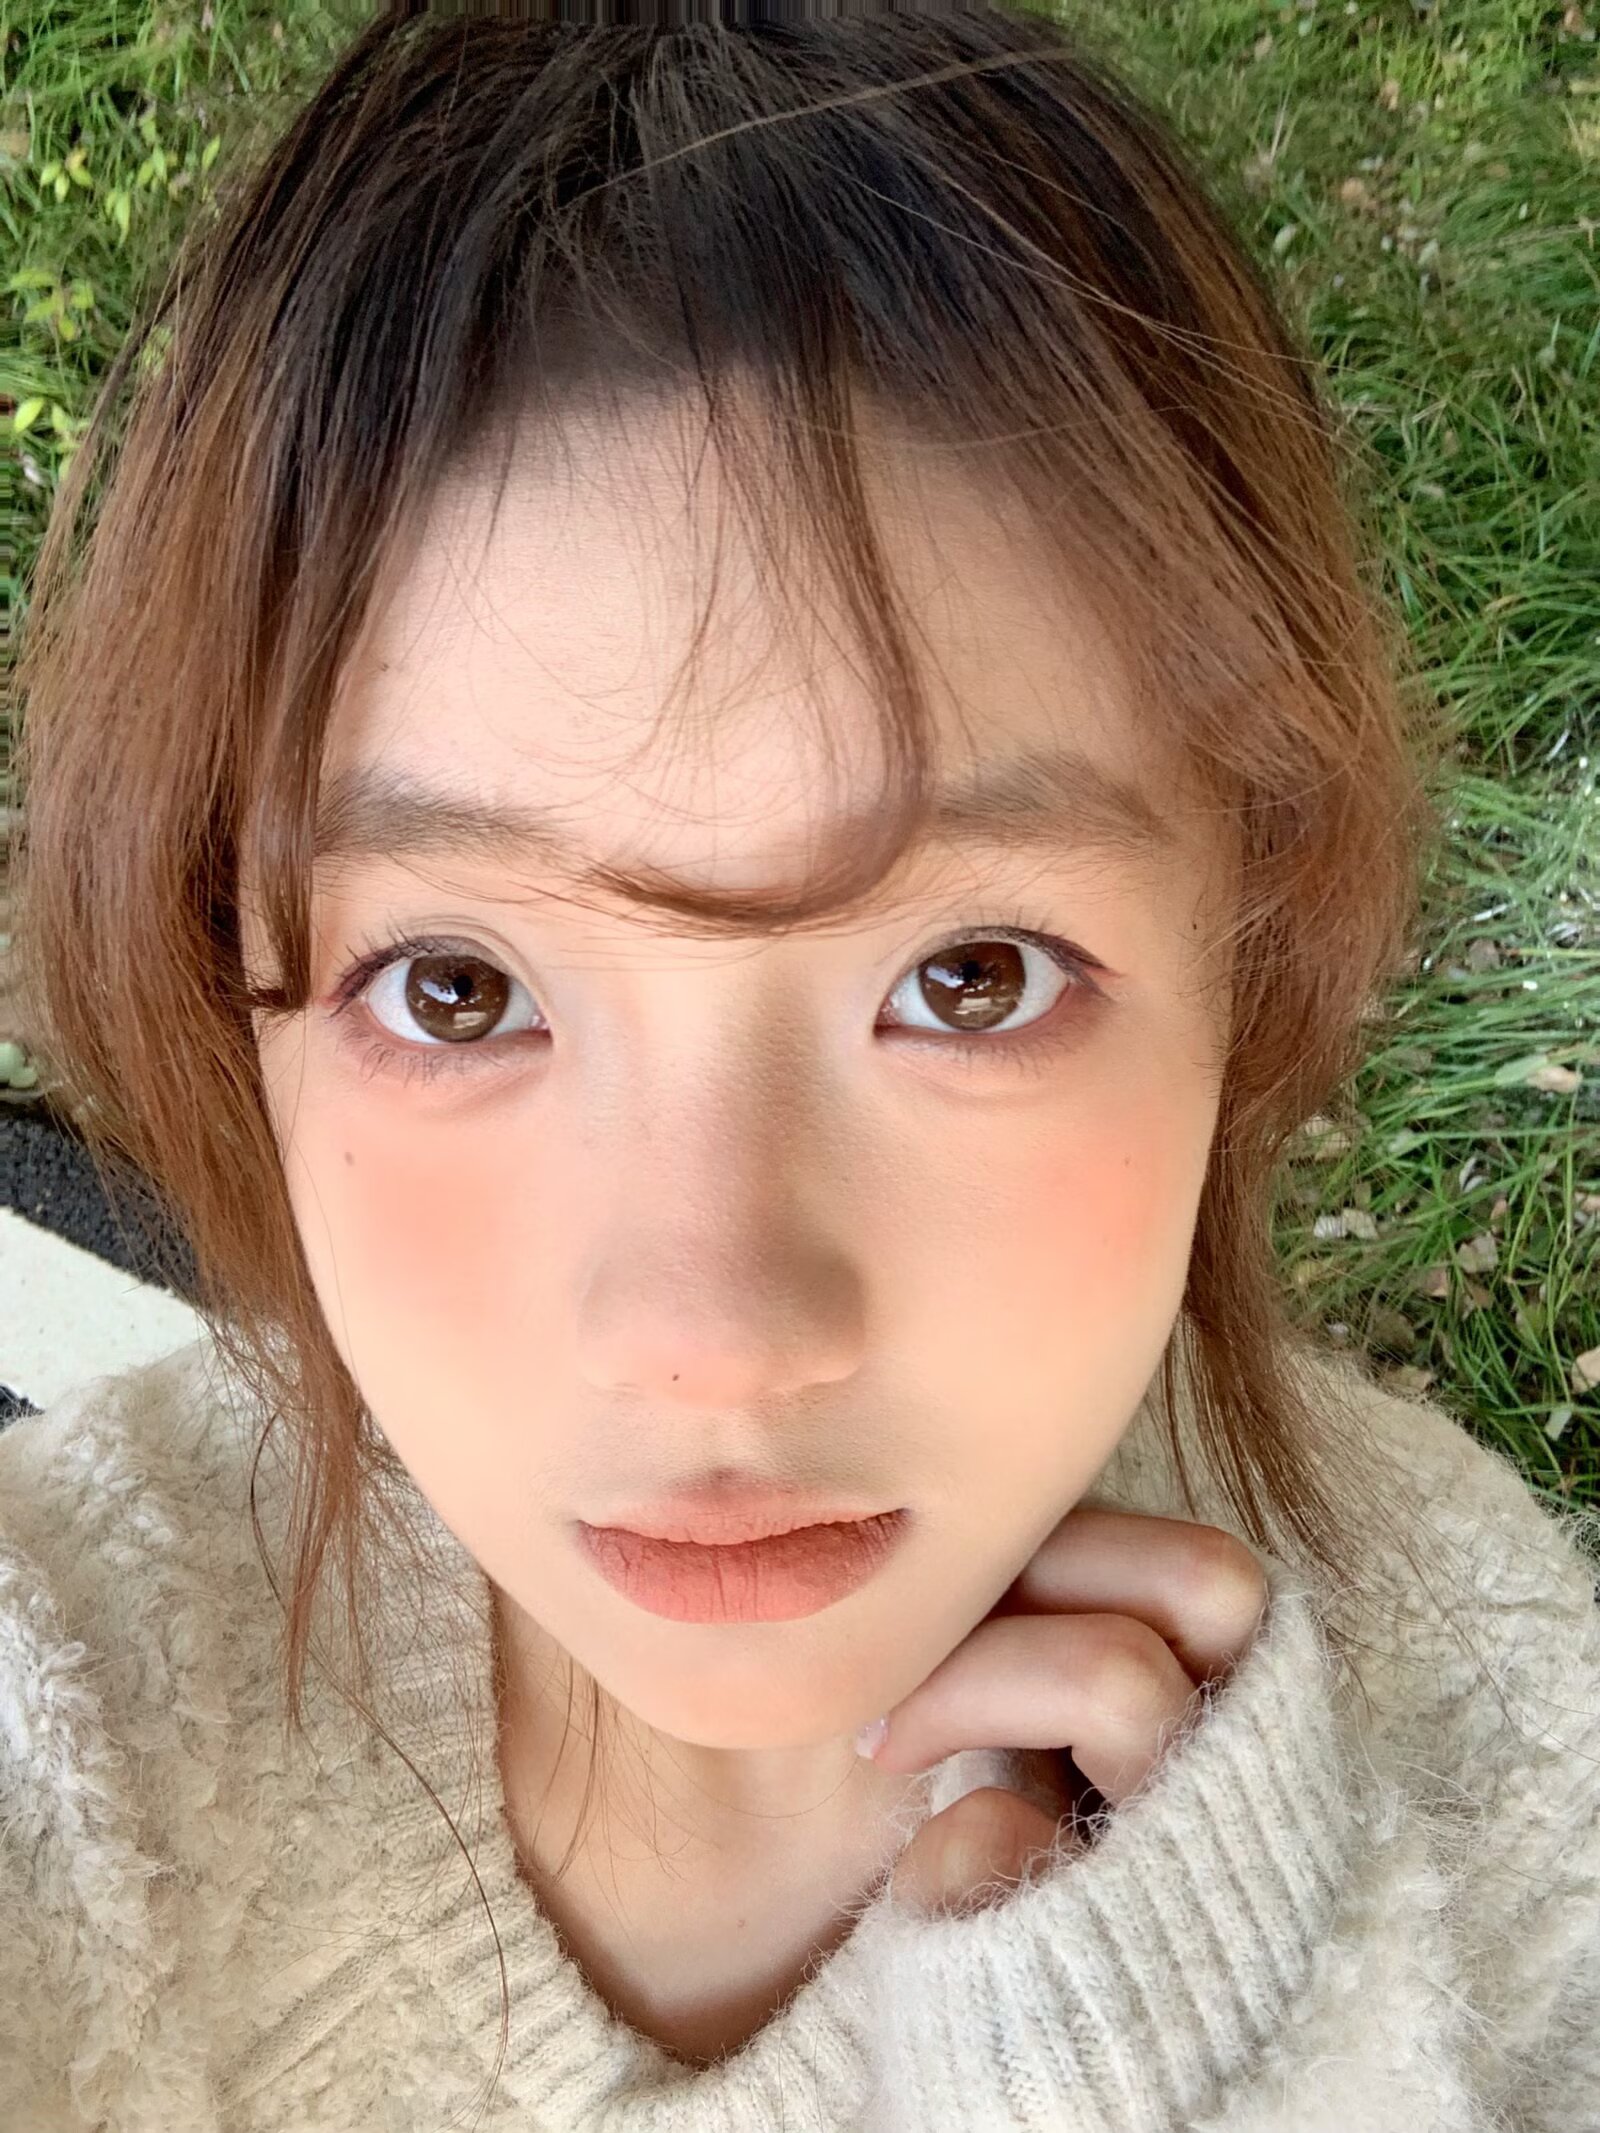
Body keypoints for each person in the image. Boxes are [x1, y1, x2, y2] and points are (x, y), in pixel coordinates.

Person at [4, 6, 1598, 2129]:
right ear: (232, 981)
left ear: (1249, 942)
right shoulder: (56, 1716)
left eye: (968, 976)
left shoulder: (1488, 1726)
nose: (715, 1337)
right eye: (458, 989)